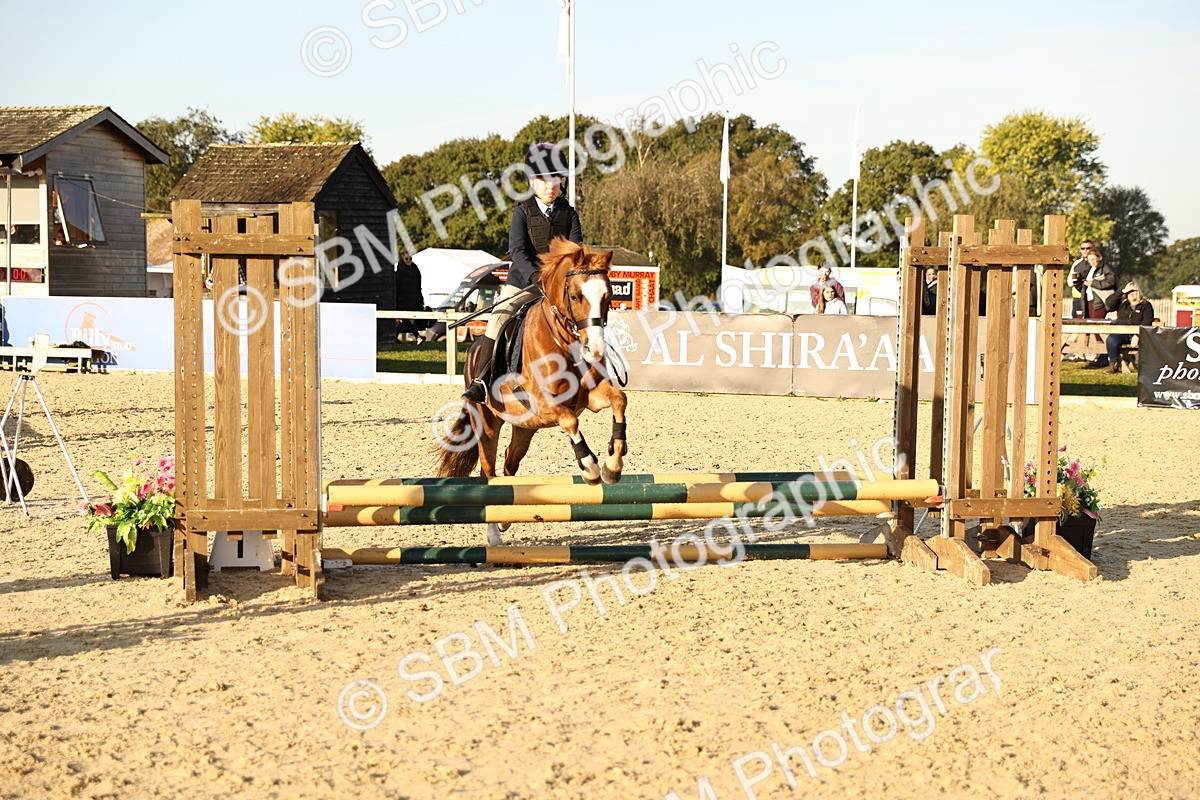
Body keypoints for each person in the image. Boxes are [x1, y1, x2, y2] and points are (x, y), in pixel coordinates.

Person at [462, 142, 583, 402]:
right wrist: (536, 278)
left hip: (558, 287)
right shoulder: (523, 211)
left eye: (556, 178)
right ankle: (482, 381)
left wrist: (560, 281)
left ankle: (584, 377)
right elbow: (517, 251)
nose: (551, 185)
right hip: (523, 283)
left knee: (584, 319)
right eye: (543, 179)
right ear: (531, 182)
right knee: (497, 320)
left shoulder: (569, 213)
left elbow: (575, 252)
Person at [1099, 281, 1154, 373]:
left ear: (1139, 292)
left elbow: (1147, 323)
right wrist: (1121, 291)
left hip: (1139, 334)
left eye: (1134, 291)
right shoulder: (1122, 304)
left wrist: (1137, 335)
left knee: (1145, 344)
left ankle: (1144, 367)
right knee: (1111, 339)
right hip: (1121, 332)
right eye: (1129, 292)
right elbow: (1109, 303)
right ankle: (1114, 364)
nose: (1132, 294)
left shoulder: (1146, 305)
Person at [394, 251, 426, 341]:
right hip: (402, 302)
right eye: (406, 259)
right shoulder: (399, 274)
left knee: (407, 322)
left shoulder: (415, 271)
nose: (408, 260)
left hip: (413, 302)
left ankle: (396, 337)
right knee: (406, 322)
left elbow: (418, 288)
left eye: (410, 259)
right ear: (402, 259)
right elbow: (396, 290)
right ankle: (417, 336)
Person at [1067, 240, 1094, 318]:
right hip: (1078, 298)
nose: (1085, 250)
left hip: (1091, 299)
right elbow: (1070, 282)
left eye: (1088, 248)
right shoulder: (1076, 264)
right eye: (1083, 248)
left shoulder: (1096, 263)